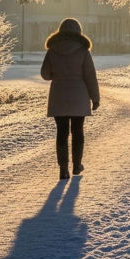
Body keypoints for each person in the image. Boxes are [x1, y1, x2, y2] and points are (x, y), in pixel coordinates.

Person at [40, 18, 100, 180]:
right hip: (79, 96)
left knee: (62, 132)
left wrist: (57, 74)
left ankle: (63, 169)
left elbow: (45, 74)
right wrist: (95, 98)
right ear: (78, 32)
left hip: (58, 96)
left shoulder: (52, 50)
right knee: (78, 131)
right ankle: (77, 166)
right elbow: (90, 76)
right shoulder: (83, 51)